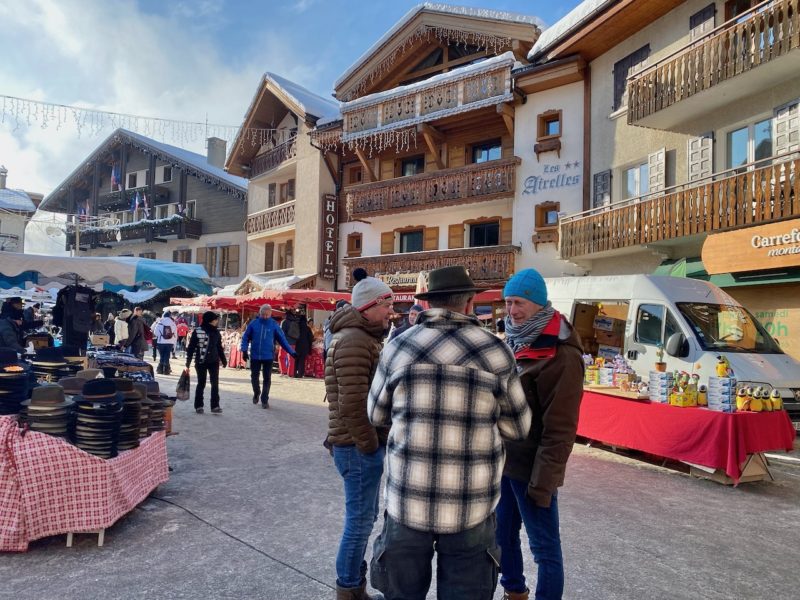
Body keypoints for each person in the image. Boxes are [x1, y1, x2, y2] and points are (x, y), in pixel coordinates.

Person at [367, 266, 531, 600]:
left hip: (407, 502)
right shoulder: (496, 352)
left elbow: (376, 414)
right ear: (470, 303)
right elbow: (519, 427)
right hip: (470, 506)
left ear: (427, 304)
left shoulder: (398, 348)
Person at [495, 269, 584, 600]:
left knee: (544, 548)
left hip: (534, 468)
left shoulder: (562, 355)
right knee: (502, 536)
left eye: (518, 303)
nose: (512, 311)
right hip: (507, 462)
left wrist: (544, 482)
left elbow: (560, 429)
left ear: (537, 303)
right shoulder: (517, 341)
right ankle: (514, 591)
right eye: (508, 303)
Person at [325, 276, 394, 600]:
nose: (392, 311)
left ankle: (353, 587)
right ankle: (349, 589)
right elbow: (352, 404)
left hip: (353, 445)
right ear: (369, 306)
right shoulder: (354, 340)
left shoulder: (360, 336)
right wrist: (370, 445)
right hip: (356, 447)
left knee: (362, 519)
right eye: (387, 304)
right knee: (359, 522)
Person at [240, 304, 295, 408]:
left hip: (268, 356)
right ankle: (256, 392)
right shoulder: (254, 323)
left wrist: (291, 352)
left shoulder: (274, 325)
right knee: (254, 377)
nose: (265, 317)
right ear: (260, 313)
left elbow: (282, 340)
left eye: (267, 315)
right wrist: (244, 350)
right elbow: (245, 337)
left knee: (267, 378)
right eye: (263, 314)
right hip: (255, 355)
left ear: (270, 314)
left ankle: (265, 399)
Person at [185, 311, 227, 414]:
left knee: (215, 384)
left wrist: (223, 359)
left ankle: (215, 406)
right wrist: (188, 363)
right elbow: (191, 348)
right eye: (215, 319)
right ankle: (199, 406)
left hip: (214, 361)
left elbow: (219, 347)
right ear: (210, 320)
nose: (217, 321)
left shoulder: (216, 332)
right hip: (201, 362)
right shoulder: (198, 331)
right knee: (201, 383)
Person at [154, 310, 177, 375]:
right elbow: (175, 334)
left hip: (161, 342)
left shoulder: (160, 322)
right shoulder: (173, 323)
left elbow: (156, 333)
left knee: (162, 356)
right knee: (167, 355)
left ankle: (160, 370)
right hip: (170, 342)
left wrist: (161, 336)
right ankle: (166, 370)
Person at [280, 309, 301, 376]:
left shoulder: (284, 322)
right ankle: (290, 373)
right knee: (291, 359)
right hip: (293, 342)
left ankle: (284, 371)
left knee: (281, 357)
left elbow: (281, 333)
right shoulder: (295, 321)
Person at [293, 313, 314, 378]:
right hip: (305, 346)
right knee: (302, 360)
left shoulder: (296, 326)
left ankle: (294, 373)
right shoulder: (307, 328)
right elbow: (311, 338)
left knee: (296, 359)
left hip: (297, 345)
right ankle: (300, 373)